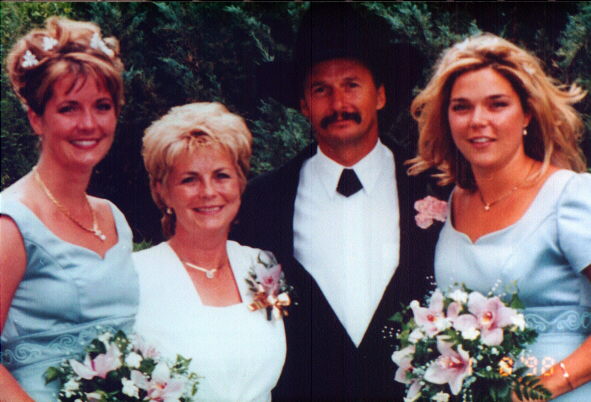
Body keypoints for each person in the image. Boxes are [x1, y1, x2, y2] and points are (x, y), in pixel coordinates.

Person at [232, 4, 445, 400]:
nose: (338, 103)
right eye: (321, 89)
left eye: (351, 85)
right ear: (303, 104)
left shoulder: (438, 189)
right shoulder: (261, 201)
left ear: (380, 95)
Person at [409, 33, 591, 401]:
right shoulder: (455, 201)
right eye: (462, 107)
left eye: (497, 104)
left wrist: (540, 390)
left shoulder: (570, 196)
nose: (478, 120)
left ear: (527, 112)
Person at [0, 17, 138, 401]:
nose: (88, 123)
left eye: (102, 106)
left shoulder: (113, 218)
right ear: (36, 119)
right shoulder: (11, 224)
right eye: (69, 108)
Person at [134, 102, 286, 402]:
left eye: (221, 176)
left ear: (240, 182)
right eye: (189, 179)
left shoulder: (260, 264)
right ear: (162, 190)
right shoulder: (135, 275)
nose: (208, 192)